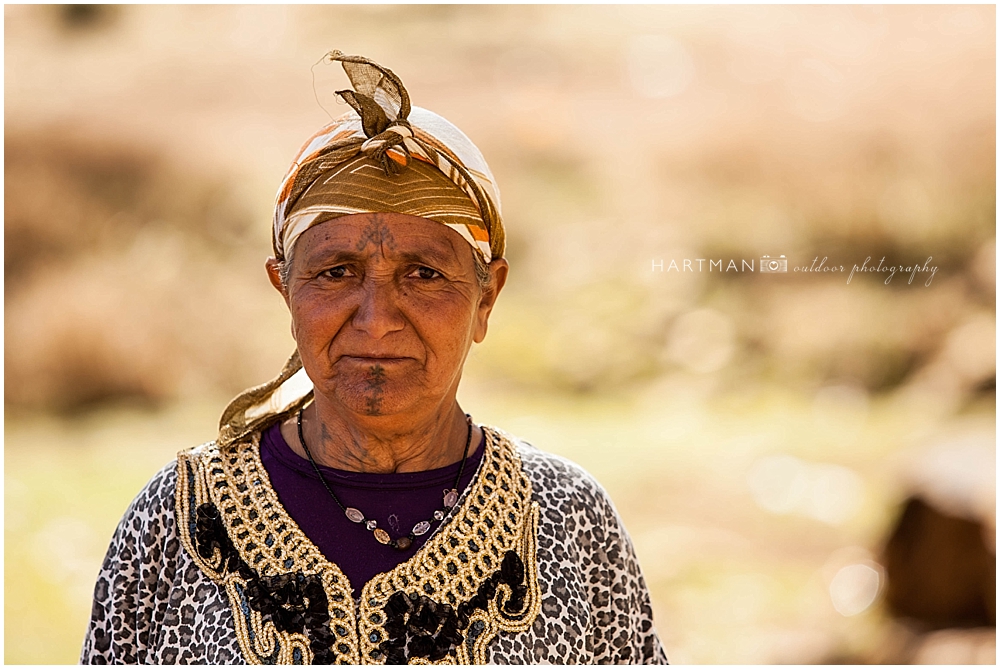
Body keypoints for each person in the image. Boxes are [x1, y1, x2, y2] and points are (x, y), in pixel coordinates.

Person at [80, 51, 668, 665]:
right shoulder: (176, 520)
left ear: (486, 296)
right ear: (285, 289)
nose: (377, 317)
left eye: (423, 273)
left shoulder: (570, 521)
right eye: (336, 273)